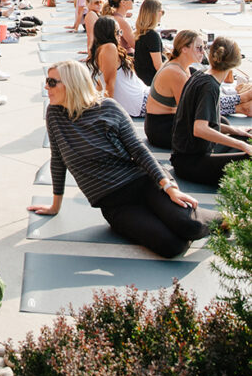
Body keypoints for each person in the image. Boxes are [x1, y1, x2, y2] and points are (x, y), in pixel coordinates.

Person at [29, 60, 217, 258]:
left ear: (72, 83)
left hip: (143, 183)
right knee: (171, 246)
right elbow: (58, 159)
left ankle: (220, 219)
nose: (46, 86)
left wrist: (168, 187)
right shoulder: (54, 114)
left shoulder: (108, 108)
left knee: (190, 225)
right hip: (114, 204)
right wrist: (55, 206)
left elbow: (139, 150)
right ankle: (172, 218)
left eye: (51, 82)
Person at [171, 37, 252, 185]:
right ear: (233, 64)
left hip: (190, 154)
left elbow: (196, 121)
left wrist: (235, 131)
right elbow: (200, 129)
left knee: (248, 136)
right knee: (247, 152)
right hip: (191, 163)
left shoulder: (200, 74)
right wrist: (241, 145)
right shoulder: (210, 87)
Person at [144, 31, 206, 149]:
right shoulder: (176, 73)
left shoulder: (185, 68)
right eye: (199, 48)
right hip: (162, 129)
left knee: (218, 123)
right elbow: (187, 113)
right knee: (212, 130)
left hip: (168, 122)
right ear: (184, 49)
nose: (203, 52)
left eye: (204, 48)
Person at [88, 16, 149, 117]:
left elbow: (101, 82)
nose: (120, 35)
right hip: (141, 101)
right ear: (108, 33)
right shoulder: (109, 48)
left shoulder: (100, 50)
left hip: (141, 97)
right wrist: (108, 114)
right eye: (117, 32)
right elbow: (109, 84)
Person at [133, 0, 166, 86]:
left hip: (143, 77)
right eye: (162, 12)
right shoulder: (152, 35)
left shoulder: (141, 32)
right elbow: (158, 66)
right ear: (156, 13)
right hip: (152, 80)